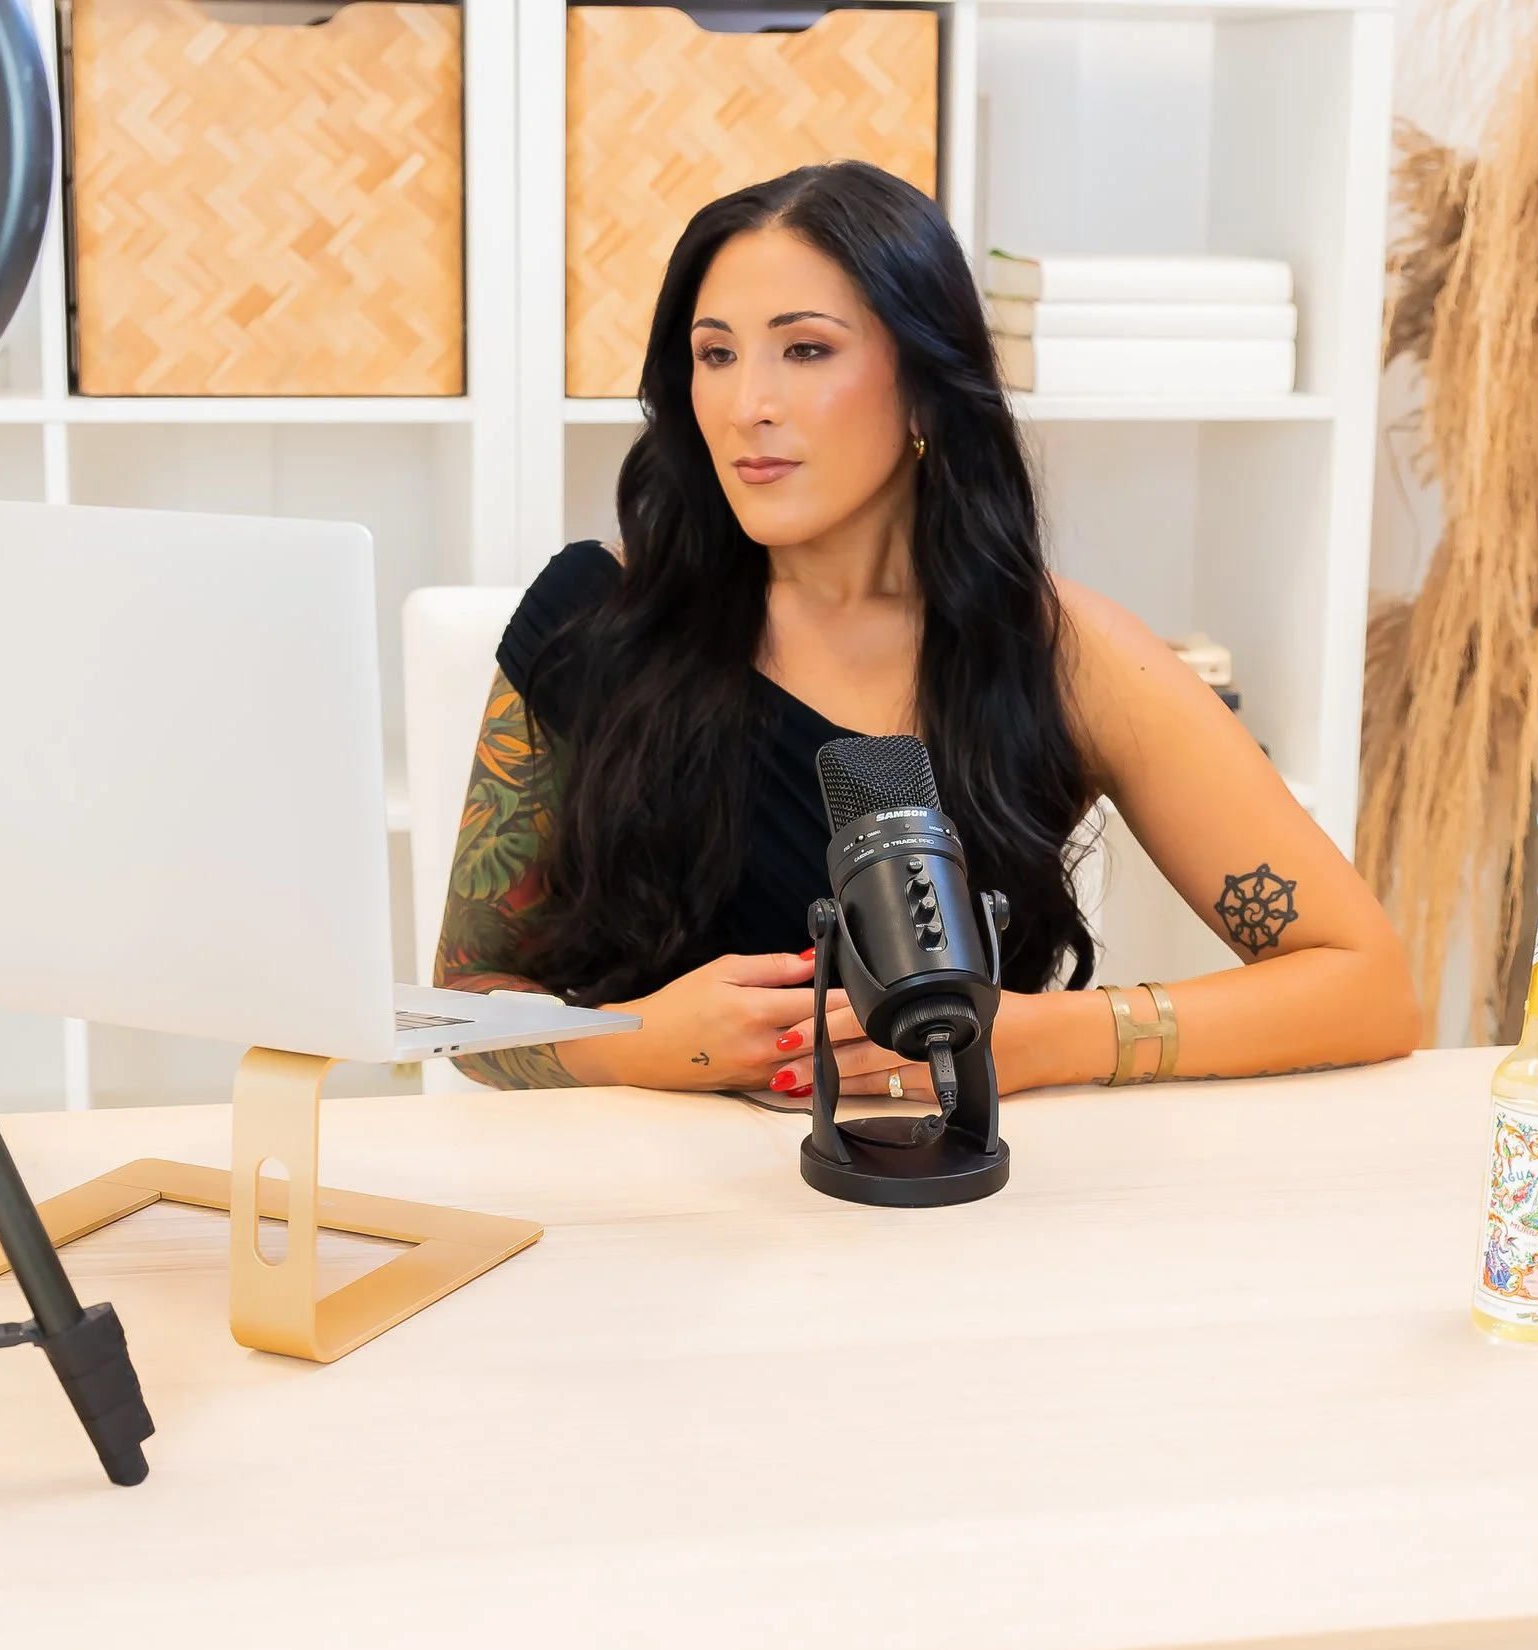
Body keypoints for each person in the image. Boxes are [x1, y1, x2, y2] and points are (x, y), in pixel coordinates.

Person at [435, 161, 1420, 1100]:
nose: (747, 406)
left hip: (944, 1198)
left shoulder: (1065, 654)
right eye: (715, 355)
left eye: (806, 349)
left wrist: (1042, 1038)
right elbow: (460, 1005)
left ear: (922, 383)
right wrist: (642, 1046)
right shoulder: (591, 618)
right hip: (629, 1200)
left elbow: (1368, 988)